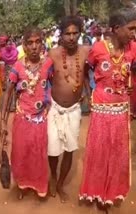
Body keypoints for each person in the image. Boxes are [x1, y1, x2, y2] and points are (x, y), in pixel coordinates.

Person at [79, 9, 136, 209]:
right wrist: (88, 93)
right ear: (116, 29)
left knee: (118, 152)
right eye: (130, 29)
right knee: (100, 151)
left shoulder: (133, 49)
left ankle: (112, 192)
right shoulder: (98, 48)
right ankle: (96, 192)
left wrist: (131, 84)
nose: (133, 33)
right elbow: (86, 71)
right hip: (102, 107)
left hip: (121, 108)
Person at [1, 28, 51, 200]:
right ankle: (22, 184)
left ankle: (40, 186)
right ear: (24, 45)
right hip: (22, 118)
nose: (34, 46)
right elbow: (8, 92)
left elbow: (56, 84)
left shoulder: (48, 64)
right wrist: (2, 121)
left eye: (38, 42)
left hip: (41, 118)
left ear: (42, 43)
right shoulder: (17, 66)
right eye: (30, 43)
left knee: (39, 153)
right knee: (21, 153)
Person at [47, 16, 90, 203]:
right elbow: (42, 76)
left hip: (74, 110)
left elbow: (90, 73)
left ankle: (60, 184)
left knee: (69, 150)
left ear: (80, 34)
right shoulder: (53, 54)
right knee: (53, 150)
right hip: (55, 109)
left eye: (75, 33)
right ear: (61, 36)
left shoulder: (87, 51)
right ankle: (53, 176)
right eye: (67, 33)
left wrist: (90, 93)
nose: (72, 37)